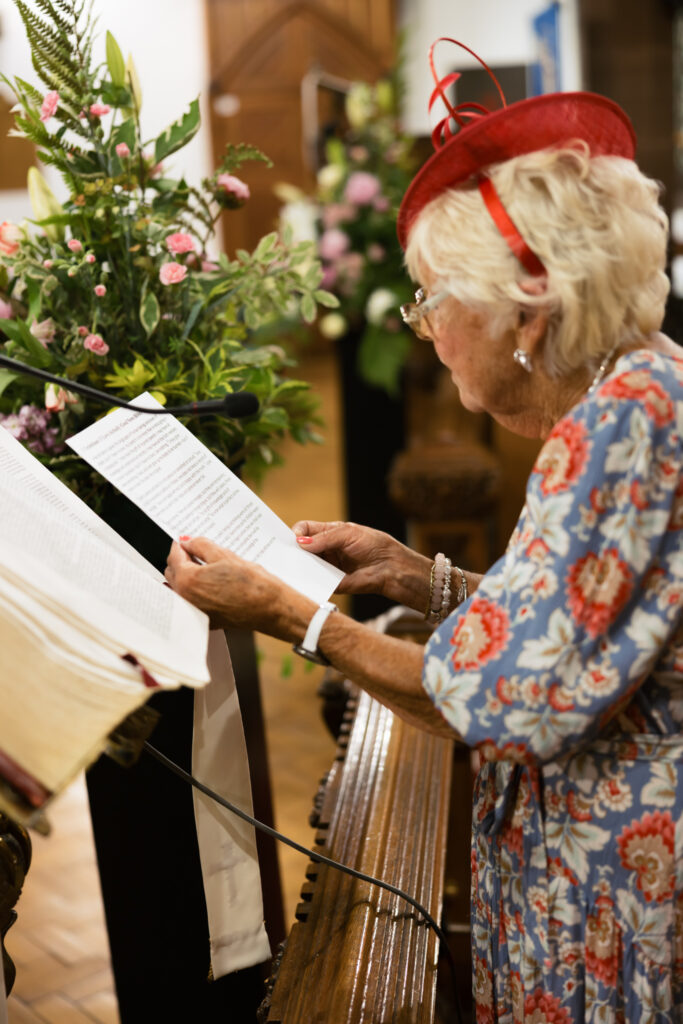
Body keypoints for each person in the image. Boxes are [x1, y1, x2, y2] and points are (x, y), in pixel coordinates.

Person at [165, 38, 683, 1023]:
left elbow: (490, 700)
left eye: (433, 298)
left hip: (611, 885)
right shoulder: (628, 390)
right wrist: (413, 576)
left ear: (525, 309)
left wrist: (288, 613)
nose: (421, 326)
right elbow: (574, 634)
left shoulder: (623, 421)